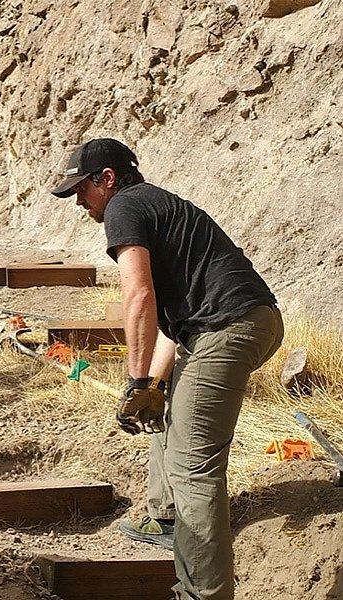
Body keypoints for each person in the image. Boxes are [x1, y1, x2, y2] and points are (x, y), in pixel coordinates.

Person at [50, 138, 283, 600]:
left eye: (82, 189)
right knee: (163, 403)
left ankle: (202, 593)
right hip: (246, 321)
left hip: (228, 328)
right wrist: (150, 385)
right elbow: (173, 327)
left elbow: (138, 298)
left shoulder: (124, 208)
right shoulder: (156, 204)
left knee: (194, 465)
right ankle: (166, 517)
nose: (79, 201)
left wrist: (134, 381)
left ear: (107, 179)